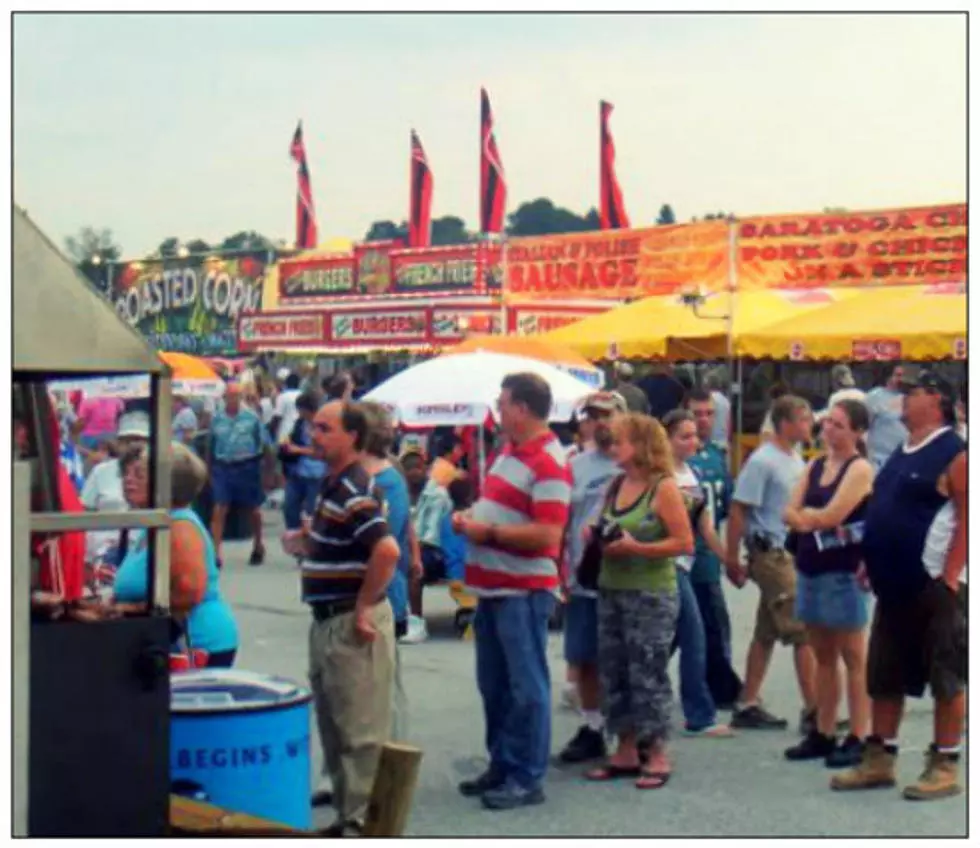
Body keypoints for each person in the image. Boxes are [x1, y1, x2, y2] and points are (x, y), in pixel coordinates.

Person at [832, 370, 967, 800]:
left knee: (945, 676)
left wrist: (950, 573)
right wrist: (871, 560)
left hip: (933, 584)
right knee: (884, 674)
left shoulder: (955, 452)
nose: (903, 399)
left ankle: (945, 761)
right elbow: (884, 509)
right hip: (893, 583)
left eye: (914, 393)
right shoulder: (903, 450)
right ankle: (880, 757)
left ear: (937, 400)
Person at [453, 373, 572, 811]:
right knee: (495, 685)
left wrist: (485, 530)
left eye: (503, 404)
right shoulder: (510, 453)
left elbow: (547, 536)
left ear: (522, 408)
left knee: (527, 687)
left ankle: (526, 775)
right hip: (495, 587)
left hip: (521, 590)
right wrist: (474, 518)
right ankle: (503, 762)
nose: (498, 411)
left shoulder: (548, 462)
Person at [282, 400, 399, 836]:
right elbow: (347, 543)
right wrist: (309, 543)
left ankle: (364, 826)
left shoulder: (354, 488)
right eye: (314, 427)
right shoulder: (334, 485)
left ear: (352, 436)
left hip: (350, 618)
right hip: (329, 617)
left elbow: (387, 551)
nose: (315, 435)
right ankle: (349, 818)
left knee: (360, 733)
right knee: (335, 726)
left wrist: (366, 606)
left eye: (325, 428)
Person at [583, 413, 693, 789]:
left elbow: (683, 542)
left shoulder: (663, 487)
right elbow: (600, 522)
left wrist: (638, 547)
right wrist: (595, 535)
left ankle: (656, 749)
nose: (613, 446)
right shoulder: (616, 484)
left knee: (648, 669)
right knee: (614, 668)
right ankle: (626, 745)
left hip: (651, 590)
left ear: (641, 444)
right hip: (612, 586)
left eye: (620, 440)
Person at [783, 399, 873, 767]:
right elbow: (789, 510)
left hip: (842, 568)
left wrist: (806, 518)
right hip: (810, 566)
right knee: (822, 654)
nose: (829, 430)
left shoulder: (860, 468)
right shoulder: (815, 464)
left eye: (838, 425)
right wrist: (807, 519)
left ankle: (859, 734)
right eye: (828, 423)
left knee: (853, 655)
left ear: (856, 431)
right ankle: (823, 729)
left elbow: (835, 513)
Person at [726, 395, 818, 732]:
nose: (810, 425)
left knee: (766, 630)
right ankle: (814, 709)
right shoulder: (763, 461)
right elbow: (739, 509)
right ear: (784, 423)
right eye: (803, 419)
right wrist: (732, 556)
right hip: (771, 553)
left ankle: (748, 701)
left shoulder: (793, 457)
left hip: (787, 550)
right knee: (802, 631)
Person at [113, 442, 239, 667]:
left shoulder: (180, 525)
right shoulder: (156, 523)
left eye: (140, 474)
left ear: (164, 485)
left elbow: (188, 592)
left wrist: (132, 609)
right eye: (128, 472)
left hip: (196, 645)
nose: (129, 479)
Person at [556, 391, 626, 765]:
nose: (601, 423)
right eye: (594, 416)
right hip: (584, 575)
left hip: (625, 575)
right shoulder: (575, 465)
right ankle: (592, 726)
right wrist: (560, 568)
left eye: (608, 415)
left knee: (625, 656)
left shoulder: (634, 462)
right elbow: (563, 519)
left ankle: (631, 731)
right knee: (584, 656)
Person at [663, 410, 733, 738]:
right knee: (693, 637)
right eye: (684, 436)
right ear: (666, 439)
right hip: (669, 567)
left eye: (695, 436)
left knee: (667, 642)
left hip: (685, 565)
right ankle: (699, 714)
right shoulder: (663, 477)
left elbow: (705, 526)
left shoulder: (688, 473)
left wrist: (730, 560)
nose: (693, 442)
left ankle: (638, 703)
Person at [359, 402, 414, 741]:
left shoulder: (384, 481)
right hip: (373, 591)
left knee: (379, 686)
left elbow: (383, 544)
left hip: (379, 593)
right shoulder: (368, 477)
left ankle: (384, 765)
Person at [684, 390, 743, 710]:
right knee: (699, 628)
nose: (704, 420)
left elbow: (727, 508)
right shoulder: (676, 461)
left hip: (707, 558)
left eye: (708, 414)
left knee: (712, 626)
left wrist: (730, 554)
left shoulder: (717, 458)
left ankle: (719, 686)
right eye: (697, 414)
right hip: (684, 558)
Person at [80, 411, 151, 567]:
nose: (134, 445)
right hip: (101, 553)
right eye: (128, 440)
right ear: (119, 443)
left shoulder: (156, 472)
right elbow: (84, 511)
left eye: (139, 440)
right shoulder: (101, 471)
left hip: (140, 550)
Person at [210, 383, 266, 566]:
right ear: (224, 398)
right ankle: (215, 553)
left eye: (236, 396)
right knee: (220, 508)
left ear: (241, 397)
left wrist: (268, 472)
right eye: (229, 397)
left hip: (247, 465)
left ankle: (258, 545)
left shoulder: (251, 417)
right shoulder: (217, 418)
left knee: (254, 509)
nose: (232, 400)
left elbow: (263, 443)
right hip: (223, 466)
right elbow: (211, 445)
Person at [282, 392, 327, 531]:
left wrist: (298, 450)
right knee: (290, 506)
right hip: (297, 471)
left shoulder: (321, 426)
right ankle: (295, 533)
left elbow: (321, 452)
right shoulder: (300, 423)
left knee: (311, 510)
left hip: (316, 473)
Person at [864, 364, 908, 471]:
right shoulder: (874, 396)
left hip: (901, 457)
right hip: (878, 458)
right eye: (897, 375)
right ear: (888, 376)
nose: (900, 379)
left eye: (902, 376)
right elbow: (865, 425)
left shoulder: (907, 398)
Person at [74, 393, 125, 463]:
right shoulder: (116, 399)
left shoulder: (87, 401)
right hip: (110, 435)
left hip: (89, 438)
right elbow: (119, 415)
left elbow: (81, 422)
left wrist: (73, 434)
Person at [272, 373, 302, 445]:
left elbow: (277, 416)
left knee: (283, 453)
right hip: (300, 432)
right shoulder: (303, 395)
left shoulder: (282, 396)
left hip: (285, 432)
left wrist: (271, 431)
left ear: (286, 383)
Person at [704, 369, 732, 449]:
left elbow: (707, 421)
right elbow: (729, 422)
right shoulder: (726, 401)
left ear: (707, 384)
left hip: (711, 442)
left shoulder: (708, 399)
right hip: (723, 441)